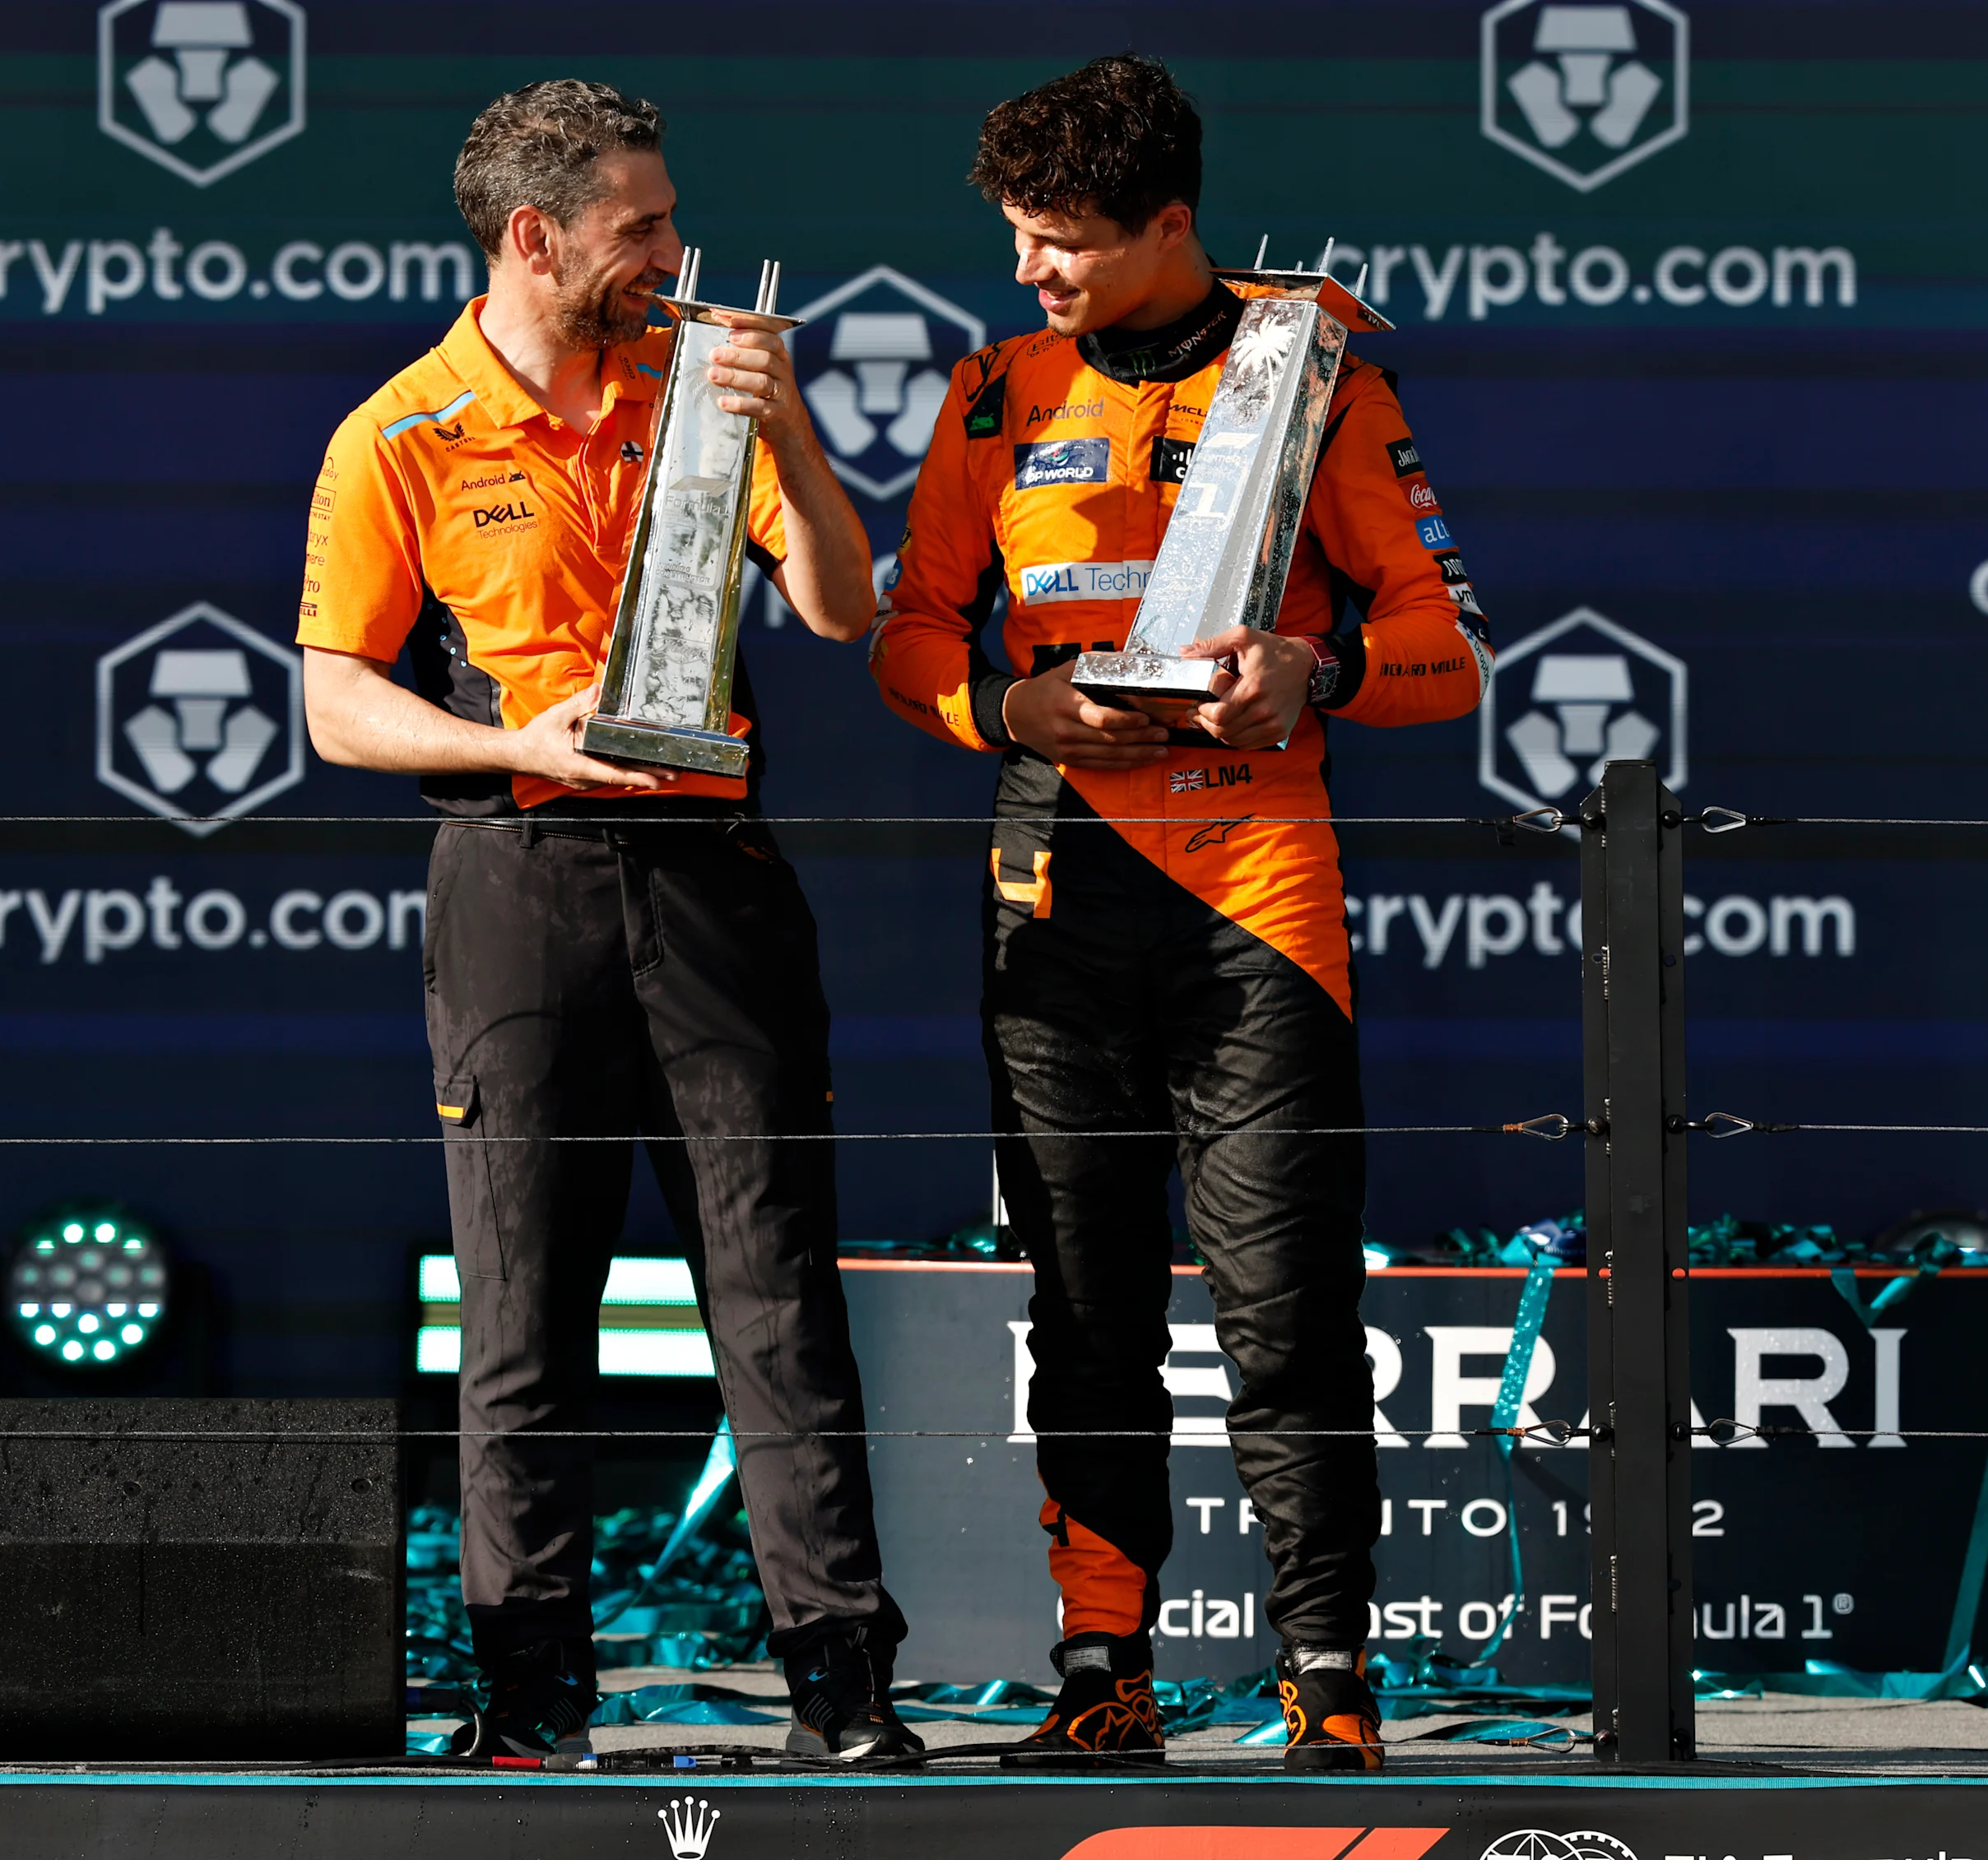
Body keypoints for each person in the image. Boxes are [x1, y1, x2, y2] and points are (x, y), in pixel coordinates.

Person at [869, 54, 1493, 1771]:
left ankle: (1329, 1676)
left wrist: (1319, 668)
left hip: (1256, 885)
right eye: (1015, 238)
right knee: (1081, 1301)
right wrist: (1009, 711)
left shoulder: (1311, 374)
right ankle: (1101, 1672)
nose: (1030, 274)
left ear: (1168, 225)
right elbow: (912, 634)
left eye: (1061, 242)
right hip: (1054, 874)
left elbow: (1450, 651)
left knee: (1281, 1300)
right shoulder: (996, 390)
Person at [298, 79, 922, 1768]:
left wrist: (785, 421)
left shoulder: (703, 379)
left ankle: (845, 1689)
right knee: (520, 1306)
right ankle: (529, 1699)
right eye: (639, 224)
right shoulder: (399, 430)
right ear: (535, 237)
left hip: (716, 871)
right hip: (518, 877)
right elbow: (338, 704)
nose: (669, 248)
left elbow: (843, 605)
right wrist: (514, 737)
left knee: (778, 1293)